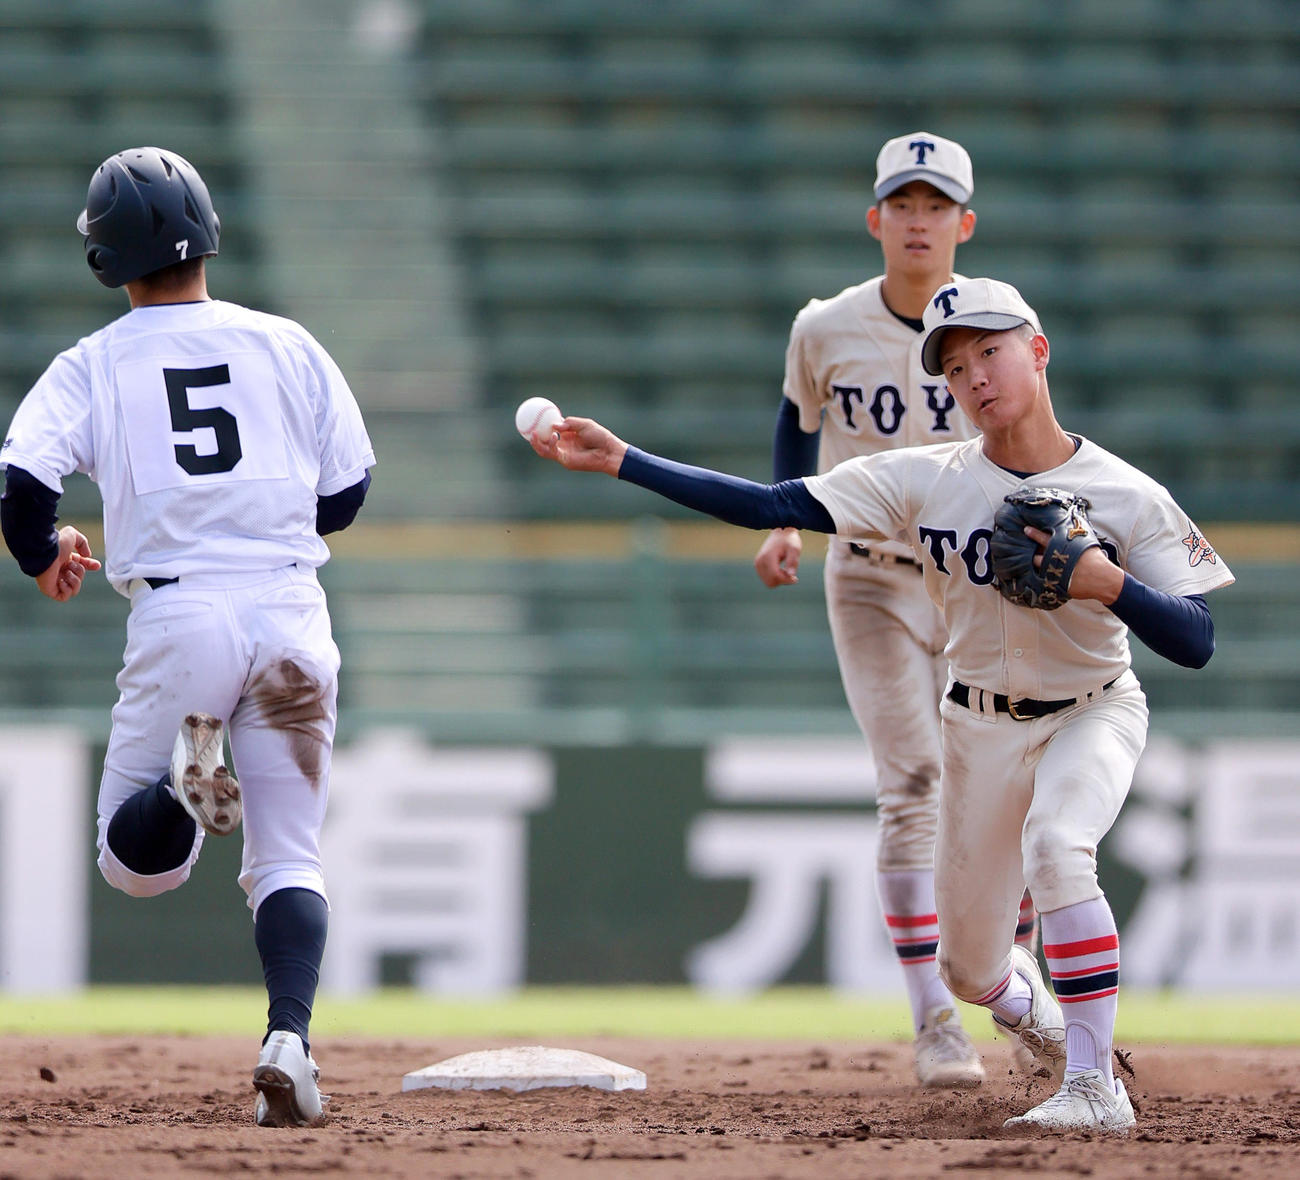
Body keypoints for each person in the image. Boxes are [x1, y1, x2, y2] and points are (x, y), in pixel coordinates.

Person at [528, 276, 1233, 1133]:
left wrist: (1107, 582)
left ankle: (1093, 1086)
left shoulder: (1125, 492)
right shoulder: (924, 480)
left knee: (1057, 846)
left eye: (991, 351)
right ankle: (1043, 1022)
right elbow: (772, 503)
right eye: (956, 367)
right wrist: (624, 460)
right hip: (976, 725)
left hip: (1093, 709)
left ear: (1039, 351)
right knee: (969, 970)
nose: (975, 376)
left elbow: (1197, 639)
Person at [0, 147, 375, 1128]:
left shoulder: (92, 363)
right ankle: (289, 1041)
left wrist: (44, 553)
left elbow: (22, 487)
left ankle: (182, 784)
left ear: (104, 257)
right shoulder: (287, 343)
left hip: (181, 613)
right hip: (292, 610)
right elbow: (346, 495)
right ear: (207, 232)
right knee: (288, 857)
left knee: (136, 866)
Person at [753, 130, 1039, 1087]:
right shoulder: (825, 328)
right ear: (876, 219)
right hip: (871, 575)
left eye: (937, 206)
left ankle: (1020, 996)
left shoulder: (995, 327)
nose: (920, 222)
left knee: (1005, 784)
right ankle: (935, 1022)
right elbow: (796, 423)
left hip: (977, 579)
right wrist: (785, 520)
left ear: (966, 224)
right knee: (913, 781)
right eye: (904, 205)